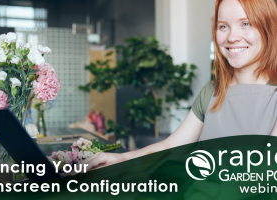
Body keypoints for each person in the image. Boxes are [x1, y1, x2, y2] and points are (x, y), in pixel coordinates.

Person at [80, 0, 277, 171]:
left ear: (269, 27)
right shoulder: (212, 92)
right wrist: (120, 158)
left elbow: (265, 169)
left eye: (245, 23)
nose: (232, 37)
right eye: (223, 26)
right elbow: (170, 147)